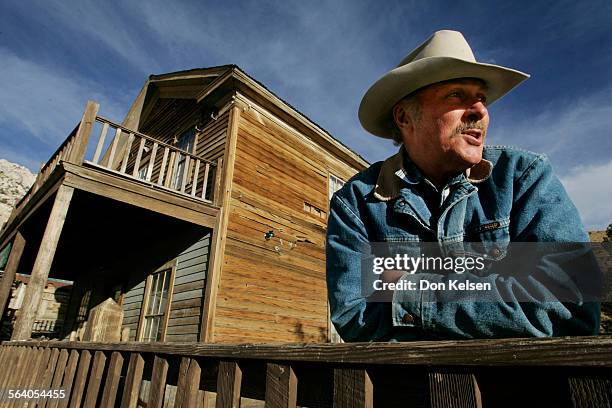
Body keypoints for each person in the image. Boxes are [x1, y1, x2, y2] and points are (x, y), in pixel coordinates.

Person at [326, 30, 600, 341]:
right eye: (457, 95)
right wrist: (502, 300)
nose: (480, 111)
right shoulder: (358, 202)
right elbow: (355, 317)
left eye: (481, 98)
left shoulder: (522, 177)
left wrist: (408, 294)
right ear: (404, 116)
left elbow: (571, 306)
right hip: (409, 388)